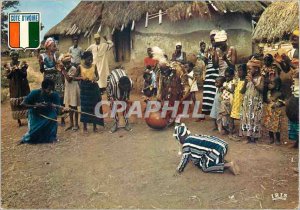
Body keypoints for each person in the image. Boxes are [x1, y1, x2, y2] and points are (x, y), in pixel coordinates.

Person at [173, 117, 239, 175]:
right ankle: (225, 163)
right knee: (205, 159)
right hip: (222, 146)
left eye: (178, 138)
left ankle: (227, 165)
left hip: (218, 149)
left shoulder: (186, 144)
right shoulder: (194, 136)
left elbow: (185, 158)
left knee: (205, 167)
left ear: (181, 137)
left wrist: (179, 169)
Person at [20, 79, 62, 144]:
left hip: (48, 113)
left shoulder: (54, 95)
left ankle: (52, 137)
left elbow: (58, 108)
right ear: (42, 89)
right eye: (49, 90)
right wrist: (35, 106)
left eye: (52, 90)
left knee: (53, 116)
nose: (51, 92)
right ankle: (28, 137)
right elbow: (23, 104)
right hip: (35, 113)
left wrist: (62, 109)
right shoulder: (34, 93)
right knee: (34, 134)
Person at [39, 37, 65, 125]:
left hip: (56, 77)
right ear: (48, 46)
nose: (54, 47)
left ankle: (61, 118)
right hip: (47, 78)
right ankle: (51, 117)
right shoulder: (42, 56)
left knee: (59, 96)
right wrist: (42, 64)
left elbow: (58, 66)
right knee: (48, 97)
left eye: (54, 46)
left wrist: (59, 65)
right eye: (53, 46)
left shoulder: (55, 55)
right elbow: (42, 70)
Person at [77, 51, 104, 133]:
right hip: (84, 89)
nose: (90, 60)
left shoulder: (94, 66)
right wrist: (81, 78)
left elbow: (98, 77)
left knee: (94, 106)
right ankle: (85, 127)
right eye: (89, 59)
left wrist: (94, 79)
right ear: (84, 59)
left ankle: (95, 126)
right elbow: (74, 77)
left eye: (91, 59)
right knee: (85, 108)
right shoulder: (80, 67)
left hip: (93, 88)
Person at [240, 58, 264, 144]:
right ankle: (248, 137)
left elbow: (261, 89)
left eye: (250, 69)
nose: (248, 71)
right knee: (247, 118)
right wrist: (246, 82)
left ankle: (255, 137)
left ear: (256, 69)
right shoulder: (247, 79)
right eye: (248, 69)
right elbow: (242, 91)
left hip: (256, 103)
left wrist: (253, 81)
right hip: (247, 102)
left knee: (256, 119)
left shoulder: (260, 78)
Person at [3, 51, 30, 127]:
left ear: (18, 56)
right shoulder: (8, 65)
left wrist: (18, 70)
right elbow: (8, 76)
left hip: (23, 85)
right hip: (14, 86)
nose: (14, 57)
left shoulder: (22, 63)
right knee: (16, 102)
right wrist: (12, 71)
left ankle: (28, 117)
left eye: (16, 55)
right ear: (10, 56)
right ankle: (18, 120)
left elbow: (24, 75)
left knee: (26, 100)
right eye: (13, 55)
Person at [107, 68, 133, 133]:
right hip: (113, 90)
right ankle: (115, 123)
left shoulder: (131, 83)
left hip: (122, 81)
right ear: (119, 86)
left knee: (126, 104)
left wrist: (127, 98)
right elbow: (108, 92)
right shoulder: (112, 84)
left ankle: (126, 122)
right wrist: (111, 99)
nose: (124, 90)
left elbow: (128, 92)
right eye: (123, 89)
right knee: (113, 105)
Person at [58, 53, 80, 131]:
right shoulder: (65, 70)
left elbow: (69, 79)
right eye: (65, 64)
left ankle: (76, 124)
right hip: (68, 89)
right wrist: (62, 71)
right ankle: (71, 124)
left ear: (70, 62)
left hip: (74, 89)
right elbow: (63, 80)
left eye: (68, 63)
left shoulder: (73, 68)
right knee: (70, 107)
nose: (67, 64)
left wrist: (63, 70)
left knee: (74, 107)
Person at [201, 30, 220, 116]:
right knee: (207, 91)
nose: (213, 42)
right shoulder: (209, 49)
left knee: (214, 92)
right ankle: (207, 111)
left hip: (216, 73)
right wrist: (205, 58)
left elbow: (216, 65)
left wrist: (212, 55)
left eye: (214, 39)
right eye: (211, 40)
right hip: (209, 72)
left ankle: (214, 111)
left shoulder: (219, 50)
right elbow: (207, 63)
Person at [264, 77, 284, 145]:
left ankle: (278, 139)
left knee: (276, 126)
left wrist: (277, 104)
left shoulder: (280, 93)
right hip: (269, 112)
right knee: (269, 126)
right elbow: (266, 99)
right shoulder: (269, 92)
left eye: (272, 83)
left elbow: (282, 103)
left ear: (277, 85)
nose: (270, 85)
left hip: (276, 113)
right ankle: (271, 138)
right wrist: (267, 101)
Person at [229, 64, 247, 139]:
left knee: (241, 118)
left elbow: (242, 91)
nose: (238, 72)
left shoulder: (246, 81)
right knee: (232, 117)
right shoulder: (237, 80)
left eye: (240, 70)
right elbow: (233, 90)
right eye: (237, 71)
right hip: (236, 101)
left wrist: (246, 83)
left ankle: (241, 133)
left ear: (245, 71)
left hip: (242, 102)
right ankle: (231, 131)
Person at [217, 67, 235, 135]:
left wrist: (225, 88)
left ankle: (231, 129)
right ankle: (225, 129)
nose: (227, 78)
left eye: (228, 76)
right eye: (226, 76)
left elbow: (232, 90)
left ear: (232, 76)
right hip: (224, 101)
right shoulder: (224, 83)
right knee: (223, 116)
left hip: (229, 101)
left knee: (229, 116)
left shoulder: (232, 82)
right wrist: (221, 89)